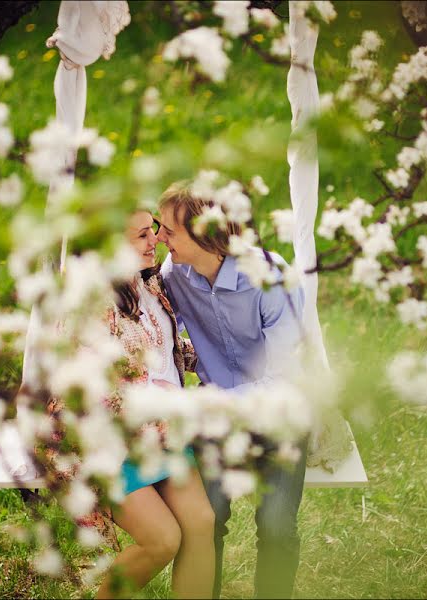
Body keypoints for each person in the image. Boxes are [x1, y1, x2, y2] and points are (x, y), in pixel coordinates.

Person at [47, 210, 216, 599]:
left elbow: (161, 352)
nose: (153, 240)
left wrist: (227, 359)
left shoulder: (146, 287)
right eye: (141, 235)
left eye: (152, 231)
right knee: (162, 539)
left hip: (161, 432)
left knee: (201, 523)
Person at [156, 182, 307, 599]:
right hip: (218, 425)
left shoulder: (271, 278)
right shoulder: (175, 275)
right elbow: (157, 333)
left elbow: (287, 381)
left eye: (169, 231)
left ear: (207, 237)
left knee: (276, 525)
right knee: (207, 519)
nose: (159, 238)